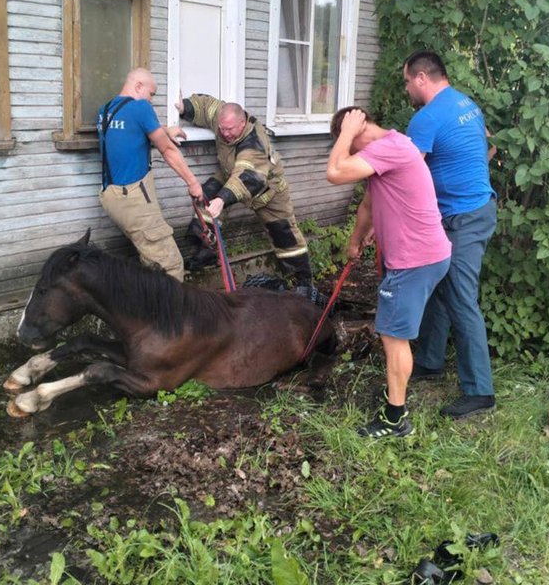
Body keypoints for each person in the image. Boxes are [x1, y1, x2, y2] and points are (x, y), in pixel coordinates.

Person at [327, 107, 451, 437]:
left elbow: (335, 172)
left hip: (414, 260)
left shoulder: (387, 147)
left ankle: (395, 418)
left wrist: (345, 133)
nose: (349, 151)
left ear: (356, 132)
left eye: (348, 142)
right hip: (426, 254)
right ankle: (396, 397)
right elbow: (369, 203)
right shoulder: (391, 146)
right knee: (395, 331)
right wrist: (357, 240)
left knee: (393, 336)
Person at [402, 50, 499, 420]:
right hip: (476, 209)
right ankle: (428, 360)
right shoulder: (466, 103)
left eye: (408, 81)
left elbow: (405, 176)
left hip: (463, 218)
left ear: (422, 78)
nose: (407, 88)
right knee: (442, 286)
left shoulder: (426, 119)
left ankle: (480, 391)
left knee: (460, 296)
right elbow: (490, 144)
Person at [171, 92, 315, 298]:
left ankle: (302, 282)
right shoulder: (223, 118)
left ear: (242, 122)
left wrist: (221, 200)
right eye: (221, 128)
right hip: (230, 173)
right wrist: (184, 107)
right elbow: (206, 107)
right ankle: (207, 252)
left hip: (267, 190)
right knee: (204, 197)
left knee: (284, 234)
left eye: (229, 130)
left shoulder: (254, 142)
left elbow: (248, 177)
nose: (224, 133)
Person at [95, 68, 204, 281]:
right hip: (134, 198)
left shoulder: (105, 110)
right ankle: (170, 313)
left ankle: (149, 307)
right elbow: (168, 150)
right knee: (170, 265)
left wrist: (164, 129)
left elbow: (131, 130)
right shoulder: (140, 108)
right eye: (151, 94)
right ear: (138, 87)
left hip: (111, 196)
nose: (151, 100)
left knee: (150, 260)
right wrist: (193, 183)